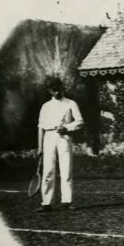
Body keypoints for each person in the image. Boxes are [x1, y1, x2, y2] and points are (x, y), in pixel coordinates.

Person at [37, 76, 84, 212]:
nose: (56, 93)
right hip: (49, 138)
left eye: (58, 89)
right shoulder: (45, 106)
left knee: (66, 169)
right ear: (50, 91)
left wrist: (67, 128)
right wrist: (40, 147)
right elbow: (40, 127)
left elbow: (80, 122)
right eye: (53, 90)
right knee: (48, 171)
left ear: (62, 88)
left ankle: (67, 202)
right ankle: (46, 203)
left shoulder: (71, 103)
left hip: (64, 137)